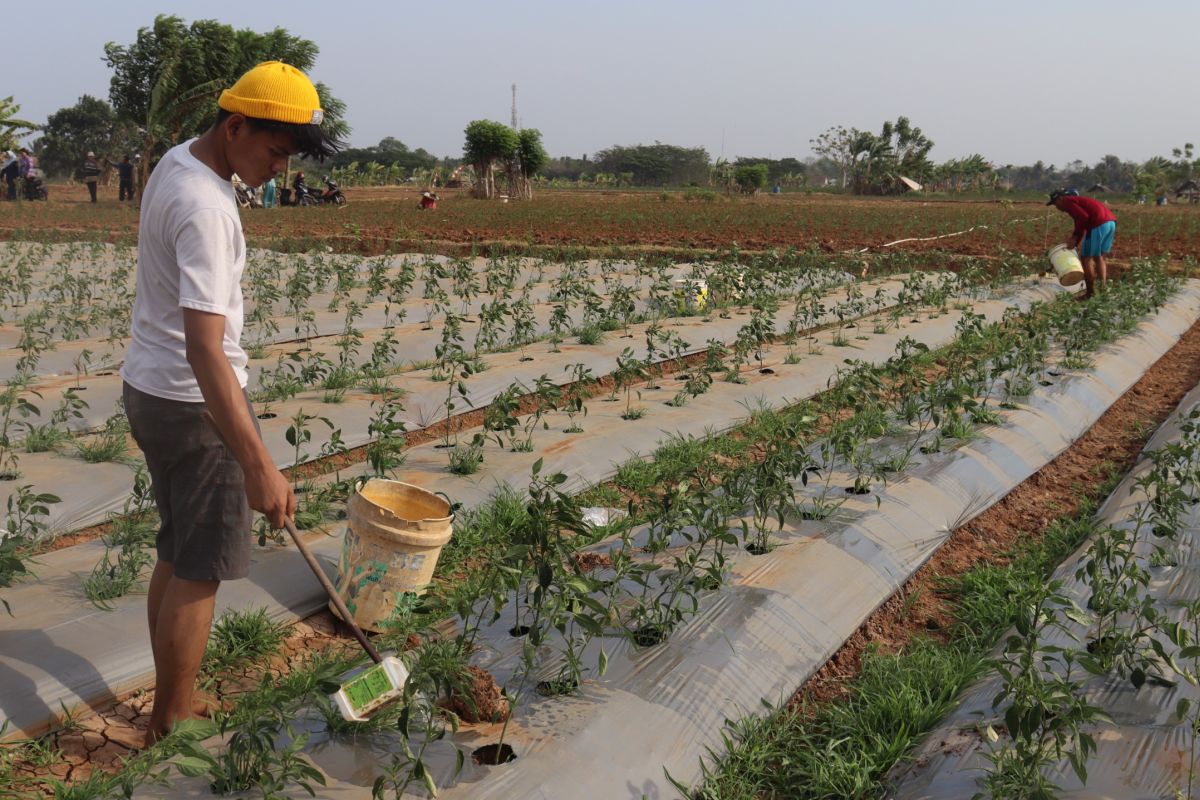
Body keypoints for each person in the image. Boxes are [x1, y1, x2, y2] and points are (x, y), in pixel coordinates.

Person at [119, 60, 341, 746]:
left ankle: (171, 696)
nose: (278, 168)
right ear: (236, 126)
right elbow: (206, 350)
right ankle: (172, 718)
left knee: (177, 549)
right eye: (274, 151)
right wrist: (258, 465)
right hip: (192, 404)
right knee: (202, 568)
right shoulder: (209, 208)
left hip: (148, 390)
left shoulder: (180, 162)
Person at [1047, 188, 1116, 299]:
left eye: (1055, 204)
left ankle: (1090, 294)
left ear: (1060, 199)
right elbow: (1082, 222)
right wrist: (1076, 241)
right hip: (1110, 223)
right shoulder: (1076, 201)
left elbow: (1083, 218)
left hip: (1098, 224)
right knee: (1099, 257)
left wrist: (1074, 237)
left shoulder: (1068, 202)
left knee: (1086, 259)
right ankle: (1103, 289)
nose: (1057, 207)